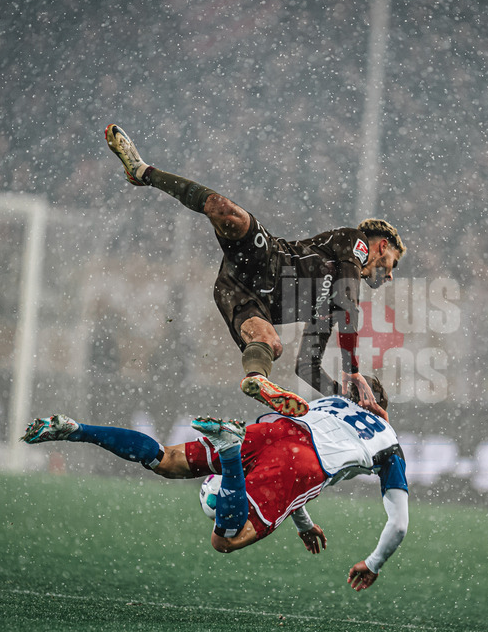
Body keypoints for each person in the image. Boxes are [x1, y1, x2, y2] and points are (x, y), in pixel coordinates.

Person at [104, 124, 406, 417]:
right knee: (224, 210)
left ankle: (257, 379)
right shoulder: (356, 243)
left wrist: (344, 398)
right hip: (266, 258)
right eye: (393, 263)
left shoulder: (332, 306)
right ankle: (143, 172)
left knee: (269, 342)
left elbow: (307, 366)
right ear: (382, 247)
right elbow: (348, 302)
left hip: (237, 292)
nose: (390, 275)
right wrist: (352, 370)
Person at [20, 376, 408, 591]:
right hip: (305, 462)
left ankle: (77, 430)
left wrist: (303, 522)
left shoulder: (331, 404)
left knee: (165, 460)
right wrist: (374, 563)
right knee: (225, 540)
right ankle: (227, 452)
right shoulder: (390, 444)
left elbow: (286, 458)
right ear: (380, 408)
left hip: (276, 430)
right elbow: (399, 523)